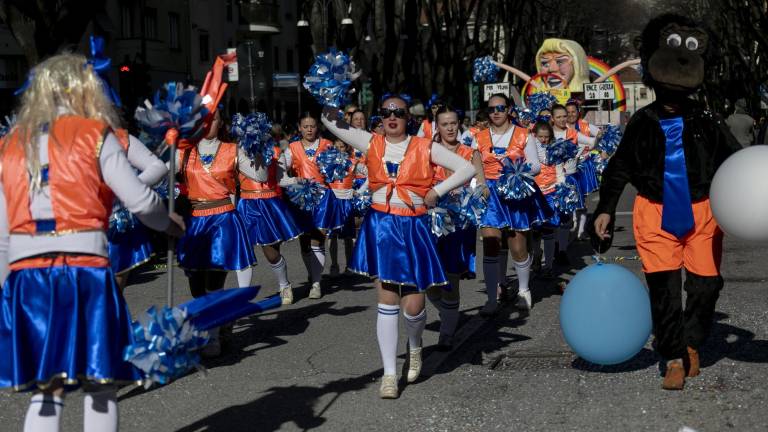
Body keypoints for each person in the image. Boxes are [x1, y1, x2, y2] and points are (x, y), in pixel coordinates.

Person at [0, 53, 184, 432]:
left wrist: (5, 282)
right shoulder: (95, 134)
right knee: (99, 384)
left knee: (45, 388)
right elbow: (140, 200)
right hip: (84, 268)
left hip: (27, 274)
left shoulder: (11, 143)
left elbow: (3, 228)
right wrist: (168, 222)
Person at [594, 13, 742, 390]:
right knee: (664, 291)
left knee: (706, 287)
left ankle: (692, 340)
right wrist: (606, 207)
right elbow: (620, 167)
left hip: (703, 212)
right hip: (654, 212)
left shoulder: (708, 119)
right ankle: (673, 356)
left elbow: (736, 161)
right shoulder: (642, 122)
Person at [321, 95, 475, 399]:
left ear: (408, 117)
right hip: (381, 227)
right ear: (380, 117)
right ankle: (389, 374)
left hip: (414, 226)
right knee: (387, 298)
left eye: (399, 113)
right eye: (386, 113)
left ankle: (415, 346)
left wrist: (437, 190)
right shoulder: (371, 142)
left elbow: (466, 168)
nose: (392, 118)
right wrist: (332, 90)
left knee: (414, 306)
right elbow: (329, 119)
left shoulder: (424, 146)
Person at [174, 108, 257, 356]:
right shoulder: (185, 150)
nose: (209, 124)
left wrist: (257, 149)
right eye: (204, 120)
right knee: (196, 284)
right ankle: (218, 322)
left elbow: (259, 174)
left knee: (213, 279)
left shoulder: (233, 149)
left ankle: (211, 337)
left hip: (222, 218)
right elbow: (162, 173)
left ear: (221, 123)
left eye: (214, 119)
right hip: (196, 220)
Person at [474, 94, 548, 314]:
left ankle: (524, 290)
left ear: (509, 110)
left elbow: (535, 166)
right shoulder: (478, 137)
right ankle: (491, 298)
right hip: (490, 195)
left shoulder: (524, 135)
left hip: (516, 192)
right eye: (491, 109)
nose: (496, 112)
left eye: (500, 108)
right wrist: (479, 184)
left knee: (517, 247)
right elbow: (473, 163)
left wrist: (515, 171)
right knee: (490, 244)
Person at [427, 105, 487, 350]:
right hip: (432, 221)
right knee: (429, 280)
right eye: (445, 124)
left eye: (453, 123)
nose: (450, 128)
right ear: (437, 127)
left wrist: (479, 194)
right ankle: (450, 314)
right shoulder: (428, 152)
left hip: (460, 223)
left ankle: (447, 332)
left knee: (451, 277)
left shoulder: (470, 152)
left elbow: (482, 185)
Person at [282, 112, 340, 300]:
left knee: (318, 238)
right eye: (305, 126)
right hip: (301, 197)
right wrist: (291, 180)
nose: (309, 129)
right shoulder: (292, 148)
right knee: (305, 242)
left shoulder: (327, 145)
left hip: (323, 196)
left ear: (318, 127)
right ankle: (313, 274)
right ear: (299, 128)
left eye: (312, 126)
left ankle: (316, 283)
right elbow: (281, 170)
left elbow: (337, 170)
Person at [236, 140, 302, 305]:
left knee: (271, 253)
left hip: (268, 204)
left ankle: (284, 285)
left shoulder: (275, 151)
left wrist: (300, 181)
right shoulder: (235, 151)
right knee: (243, 251)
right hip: (246, 204)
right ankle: (242, 296)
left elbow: (282, 179)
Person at [550, 104, 597, 263]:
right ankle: (554, 247)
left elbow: (591, 142)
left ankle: (561, 250)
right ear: (552, 118)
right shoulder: (546, 134)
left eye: (565, 116)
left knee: (567, 218)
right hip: (550, 180)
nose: (563, 119)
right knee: (553, 217)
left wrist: (601, 136)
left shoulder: (573, 133)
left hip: (570, 178)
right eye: (559, 117)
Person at [565, 100, 602, 240]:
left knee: (582, 200)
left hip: (583, 165)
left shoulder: (586, 125)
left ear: (578, 112)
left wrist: (597, 148)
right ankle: (571, 227)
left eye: (573, 112)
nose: (570, 115)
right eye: (567, 112)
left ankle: (580, 231)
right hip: (567, 167)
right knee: (568, 198)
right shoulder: (562, 126)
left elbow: (601, 134)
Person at [326, 137, 358, 277]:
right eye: (337, 146)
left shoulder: (353, 163)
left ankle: (349, 265)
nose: (339, 149)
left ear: (347, 148)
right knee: (331, 236)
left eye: (342, 147)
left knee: (348, 237)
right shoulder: (326, 162)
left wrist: (359, 191)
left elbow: (369, 175)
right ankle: (334, 265)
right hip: (332, 202)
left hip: (346, 201)